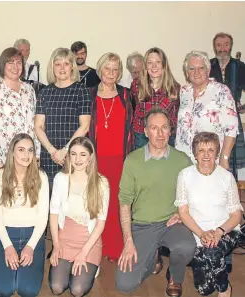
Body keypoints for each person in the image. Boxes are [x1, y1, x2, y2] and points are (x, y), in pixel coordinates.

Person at [116, 108, 196, 297]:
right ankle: (153, 257)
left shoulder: (182, 160)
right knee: (124, 285)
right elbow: (124, 202)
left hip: (171, 223)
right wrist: (128, 240)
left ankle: (175, 277)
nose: (160, 134)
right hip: (142, 226)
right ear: (145, 132)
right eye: (154, 128)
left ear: (170, 130)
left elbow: (195, 193)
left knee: (186, 246)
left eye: (164, 128)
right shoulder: (133, 160)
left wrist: (182, 213)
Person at [175, 132, 244, 297]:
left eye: (211, 150)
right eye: (201, 150)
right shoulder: (184, 175)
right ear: (195, 154)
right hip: (199, 234)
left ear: (217, 153)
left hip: (226, 230)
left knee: (212, 251)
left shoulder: (226, 177)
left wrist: (219, 231)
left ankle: (225, 289)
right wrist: (201, 233)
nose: (206, 155)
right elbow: (183, 212)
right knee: (204, 289)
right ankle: (215, 278)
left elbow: (236, 215)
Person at [49, 137, 109, 297]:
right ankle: (70, 267)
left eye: (83, 154)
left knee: (77, 289)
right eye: (73, 154)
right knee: (57, 286)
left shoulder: (101, 182)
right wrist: (56, 245)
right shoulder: (60, 179)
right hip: (65, 239)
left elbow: (100, 224)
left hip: (89, 241)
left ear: (90, 157)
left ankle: (91, 265)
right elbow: (53, 214)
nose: (78, 159)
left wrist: (83, 253)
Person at [0, 133, 49, 297]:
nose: (26, 155)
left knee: (28, 291)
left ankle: (22, 272)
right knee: (2, 290)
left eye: (30, 150)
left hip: (33, 236)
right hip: (7, 235)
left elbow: (43, 216)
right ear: (12, 153)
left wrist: (30, 246)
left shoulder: (41, 177)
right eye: (21, 150)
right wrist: (7, 246)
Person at [89, 52, 134, 261]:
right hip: (96, 159)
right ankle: (97, 244)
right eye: (107, 68)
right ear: (100, 70)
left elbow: (131, 129)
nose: (111, 73)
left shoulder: (126, 95)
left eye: (116, 69)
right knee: (97, 202)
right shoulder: (89, 94)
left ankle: (116, 246)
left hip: (120, 159)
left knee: (117, 203)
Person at [35, 47, 92, 190]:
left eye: (66, 63)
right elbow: (38, 126)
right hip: (49, 156)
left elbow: (84, 126)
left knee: (71, 201)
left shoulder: (81, 91)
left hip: (73, 156)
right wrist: (53, 151)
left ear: (72, 67)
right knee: (50, 202)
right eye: (57, 64)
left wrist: (65, 151)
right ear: (52, 67)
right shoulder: (44, 92)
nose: (62, 68)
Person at [175, 50, 238, 169]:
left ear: (208, 70)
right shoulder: (184, 91)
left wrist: (224, 158)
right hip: (183, 159)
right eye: (191, 68)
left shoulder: (221, 91)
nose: (196, 72)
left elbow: (231, 128)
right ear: (187, 73)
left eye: (201, 68)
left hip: (209, 159)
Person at [0, 47, 40, 173]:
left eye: (19, 63)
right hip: (5, 160)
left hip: (28, 158)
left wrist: (37, 153)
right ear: (3, 65)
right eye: (10, 62)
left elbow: (34, 124)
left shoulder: (29, 90)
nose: (15, 67)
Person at [209, 32, 245, 180]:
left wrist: (243, 107)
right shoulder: (208, 65)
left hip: (232, 120)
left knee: (230, 160)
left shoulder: (240, 66)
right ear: (214, 47)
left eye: (226, 44)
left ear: (231, 46)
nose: (222, 48)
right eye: (219, 45)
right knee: (211, 156)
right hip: (211, 120)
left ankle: (231, 197)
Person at [131, 47, 180, 149]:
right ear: (145, 66)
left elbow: (174, 118)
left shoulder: (174, 88)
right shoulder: (136, 85)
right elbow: (133, 109)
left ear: (164, 65)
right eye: (150, 62)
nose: (154, 66)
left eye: (158, 62)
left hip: (165, 137)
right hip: (141, 136)